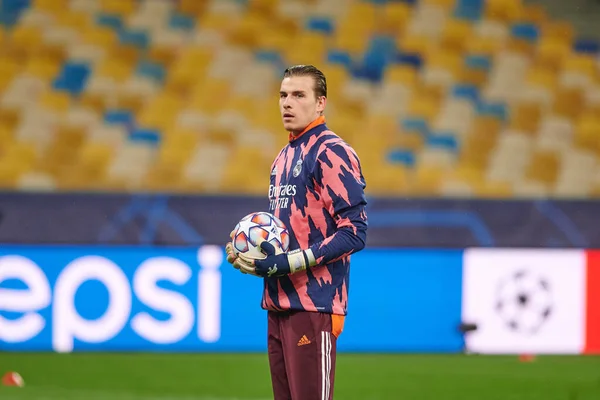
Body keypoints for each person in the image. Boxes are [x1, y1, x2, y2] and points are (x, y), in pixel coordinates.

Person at [225, 65, 368, 400]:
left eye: (299, 95)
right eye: (283, 95)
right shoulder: (283, 157)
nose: (287, 103)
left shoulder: (331, 151)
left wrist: (289, 262)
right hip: (278, 304)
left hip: (314, 305)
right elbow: (284, 232)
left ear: (321, 103)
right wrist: (249, 249)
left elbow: (355, 231)